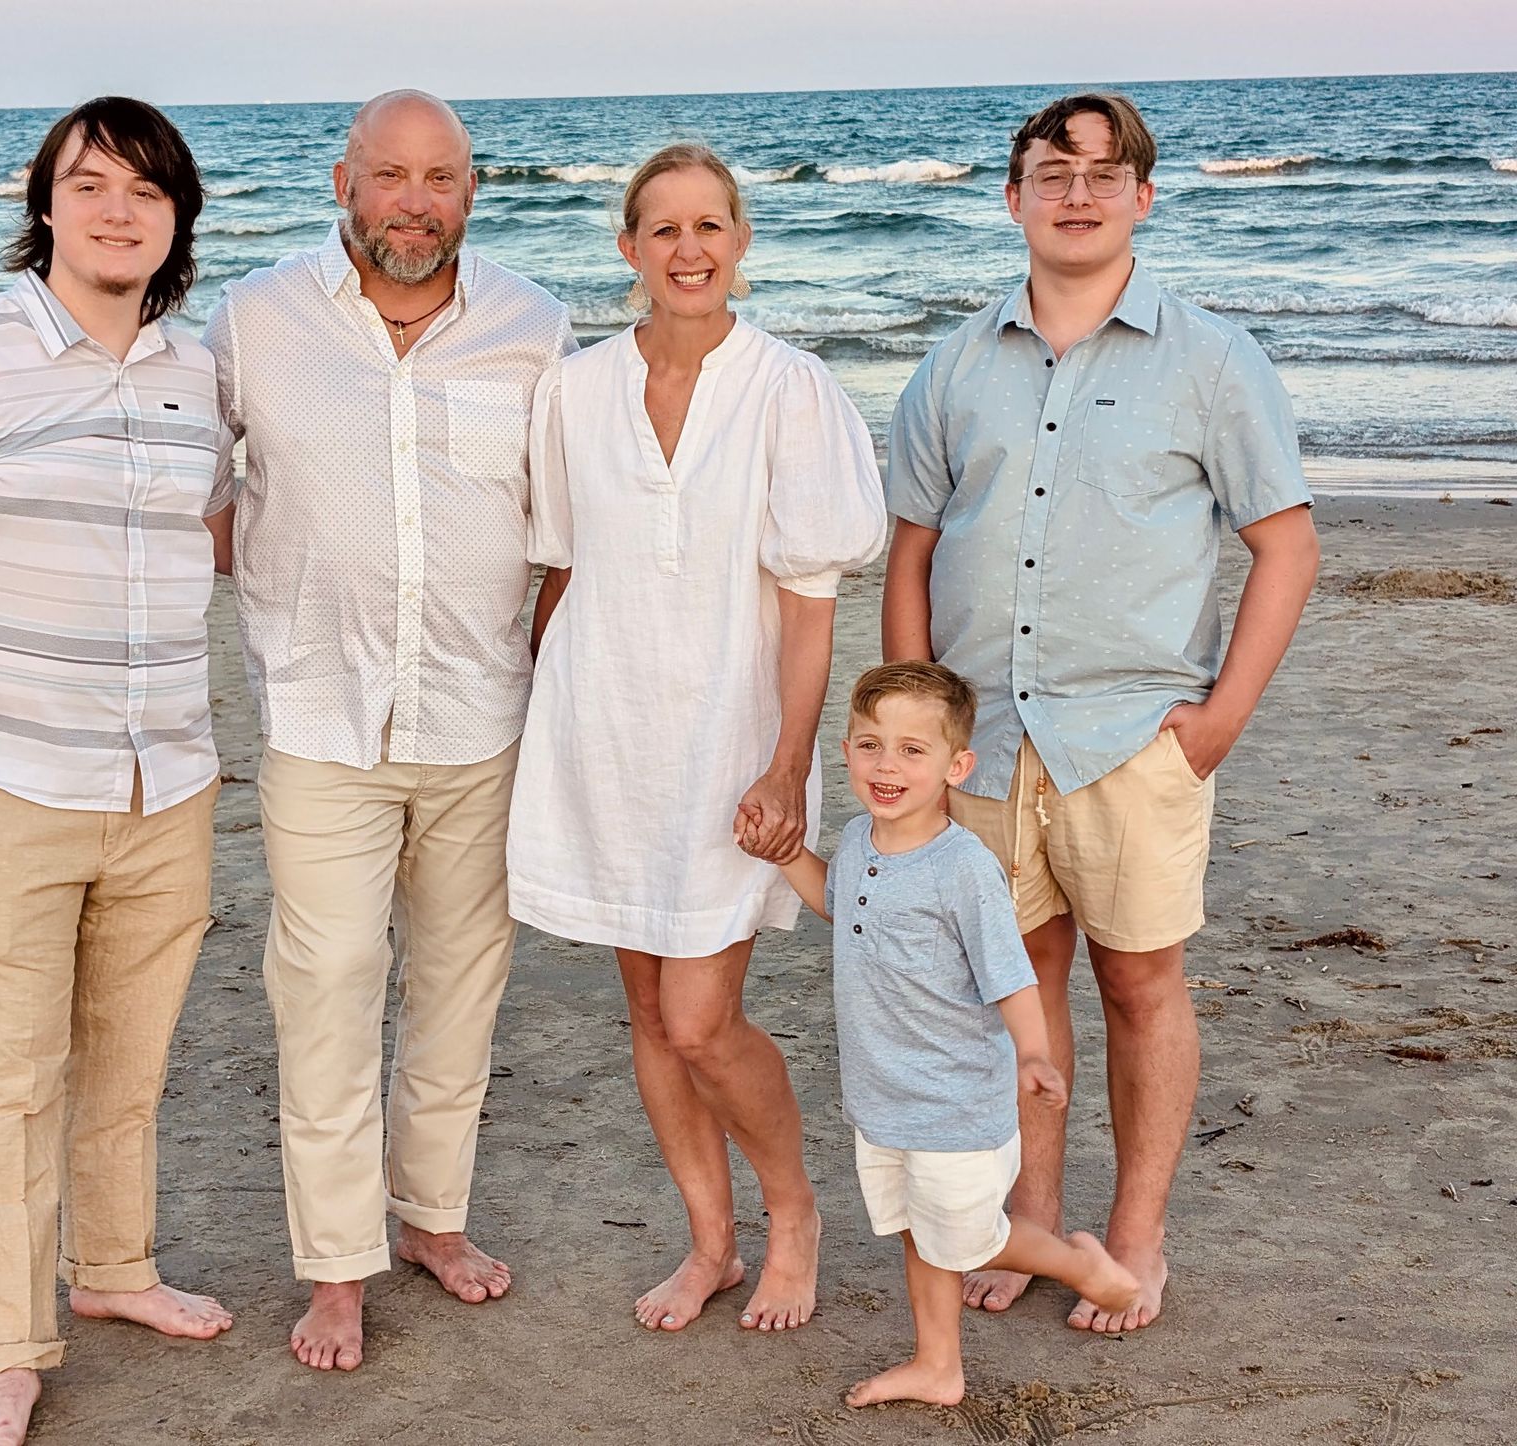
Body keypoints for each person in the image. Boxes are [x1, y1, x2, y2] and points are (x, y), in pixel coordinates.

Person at [883, 92, 1320, 1334]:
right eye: (1049, 170)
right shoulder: (955, 363)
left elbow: (1286, 548)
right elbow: (911, 556)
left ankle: (1135, 1233)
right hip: (984, 743)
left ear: (1144, 194)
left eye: (1102, 170)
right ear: (1012, 196)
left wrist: (1224, 713)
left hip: (1134, 740)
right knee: (1012, 989)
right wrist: (918, 738)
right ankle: (1028, 1222)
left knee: (1139, 986)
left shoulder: (1213, 359)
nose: (1076, 192)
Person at [0, 97, 235, 1446]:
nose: (117, 208)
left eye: (145, 188)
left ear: (178, 215)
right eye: (91, 184)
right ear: (48, 204)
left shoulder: (201, 374)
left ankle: (117, 1268)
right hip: (3, 772)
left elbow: (219, 532)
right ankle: (9, 1350)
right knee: (9, 1072)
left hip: (166, 776)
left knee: (129, 1059)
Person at [202, 90, 576, 1373]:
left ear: (473, 191)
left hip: (482, 719)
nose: (416, 201)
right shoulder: (254, 320)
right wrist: (287, 600)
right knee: (326, 990)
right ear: (342, 182)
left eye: (443, 178)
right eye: (391, 175)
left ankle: (432, 1220)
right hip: (321, 717)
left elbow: (566, 530)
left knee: (463, 992)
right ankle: (336, 1267)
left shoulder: (536, 326)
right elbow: (199, 495)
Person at [508, 144, 887, 1336]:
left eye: (711, 225)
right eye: (663, 229)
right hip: (603, 734)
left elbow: (812, 608)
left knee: (700, 1020)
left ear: (742, 241)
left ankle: (795, 1219)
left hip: (730, 744)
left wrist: (788, 764)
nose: (689, 249)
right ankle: (711, 1244)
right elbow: (561, 573)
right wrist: (544, 729)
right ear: (629, 249)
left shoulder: (789, 390)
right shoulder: (572, 393)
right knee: (644, 1013)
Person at [772, 662, 1138, 1406]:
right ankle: (938, 1365)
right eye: (871, 745)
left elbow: (1011, 973)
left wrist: (1033, 1052)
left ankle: (1081, 1266)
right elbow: (836, 907)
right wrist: (787, 858)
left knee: (970, 1237)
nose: (887, 766)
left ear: (956, 765)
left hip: (955, 1104)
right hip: (883, 1098)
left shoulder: (963, 868)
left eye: (913, 750)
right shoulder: (856, 843)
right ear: (846, 751)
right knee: (921, 1234)